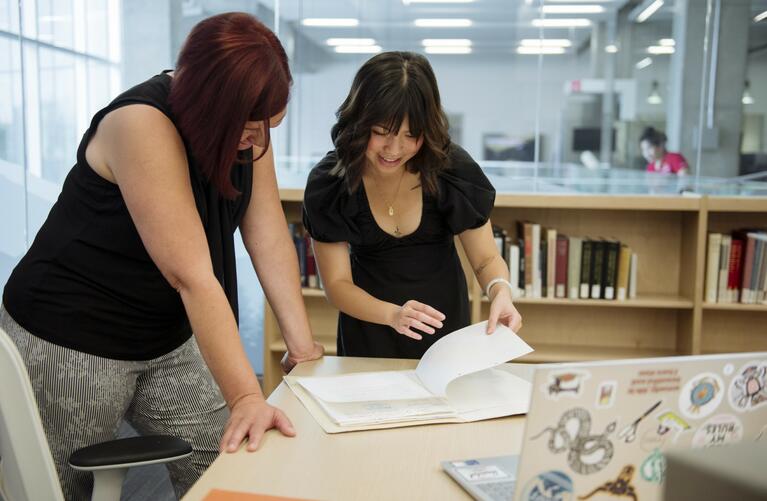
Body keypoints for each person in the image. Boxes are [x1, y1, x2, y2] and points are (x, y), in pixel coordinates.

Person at [0, 13, 323, 500]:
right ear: (211, 102)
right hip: (71, 333)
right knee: (64, 490)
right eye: (250, 126)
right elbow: (192, 275)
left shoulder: (246, 126)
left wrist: (303, 350)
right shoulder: (140, 123)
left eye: (268, 125)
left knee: (236, 459)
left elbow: (269, 233)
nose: (257, 139)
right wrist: (245, 395)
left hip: (165, 337)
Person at [302, 51, 523, 359]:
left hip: (446, 336)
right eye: (380, 133)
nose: (394, 149)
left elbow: (486, 259)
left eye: (411, 135)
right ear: (359, 122)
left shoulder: (450, 170)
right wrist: (393, 315)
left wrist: (501, 291)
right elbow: (337, 285)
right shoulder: (332, 182)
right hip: (369, 333)